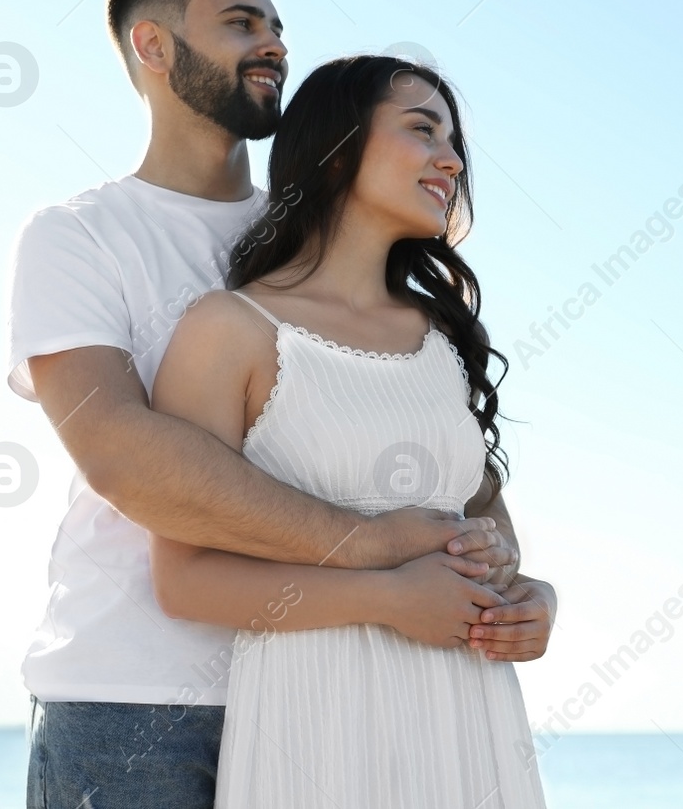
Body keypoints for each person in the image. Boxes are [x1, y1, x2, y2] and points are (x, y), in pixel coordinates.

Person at [6, 0, 553, 808]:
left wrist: (507, 584)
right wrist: (378, 556)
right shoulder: (80, 236)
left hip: (340, 689)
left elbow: (458, 480)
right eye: (240, 22)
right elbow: (118, 453)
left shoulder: (330, 249)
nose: (274, 44)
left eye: (277, 26)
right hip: (136, 693)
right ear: (153, 45)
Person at [147, 55, 550, 806]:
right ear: (338, 148)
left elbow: (485, 520)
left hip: (470, 719)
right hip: (318, 729)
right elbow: (184, 580)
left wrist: (531, 597)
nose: (452, 158)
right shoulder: (230, 329)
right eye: (423, 129)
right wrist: (389, 598)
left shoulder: (444, 337)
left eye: (455, 140)